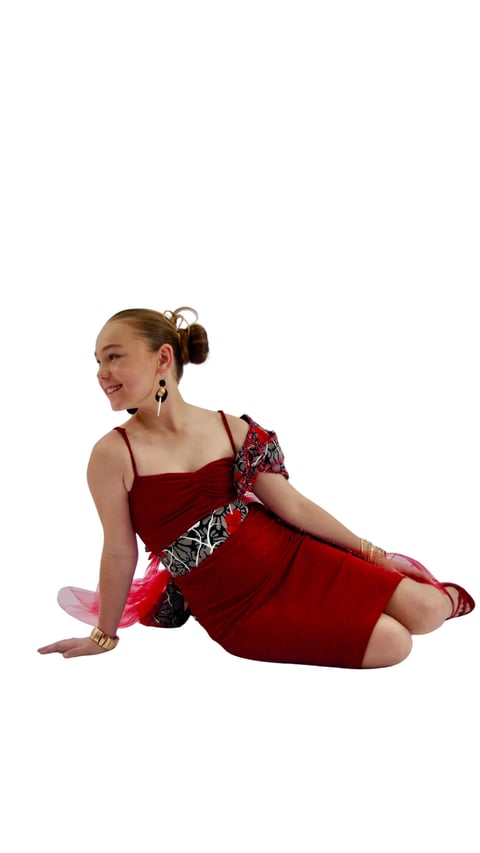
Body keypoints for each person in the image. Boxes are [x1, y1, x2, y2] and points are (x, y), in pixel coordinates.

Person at [38, 306, 475, 668]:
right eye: (97, 361)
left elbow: (295, 509)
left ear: (163, 359)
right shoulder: (113, 454)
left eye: (113, 357)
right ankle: (380, 608)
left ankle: (434, 599)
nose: (101, 372)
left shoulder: (232, 430)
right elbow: (119, 550)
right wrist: (104, 636)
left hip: (292, 557)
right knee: (396, 645)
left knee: (428, 611)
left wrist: (375, 554)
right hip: (239, 610)